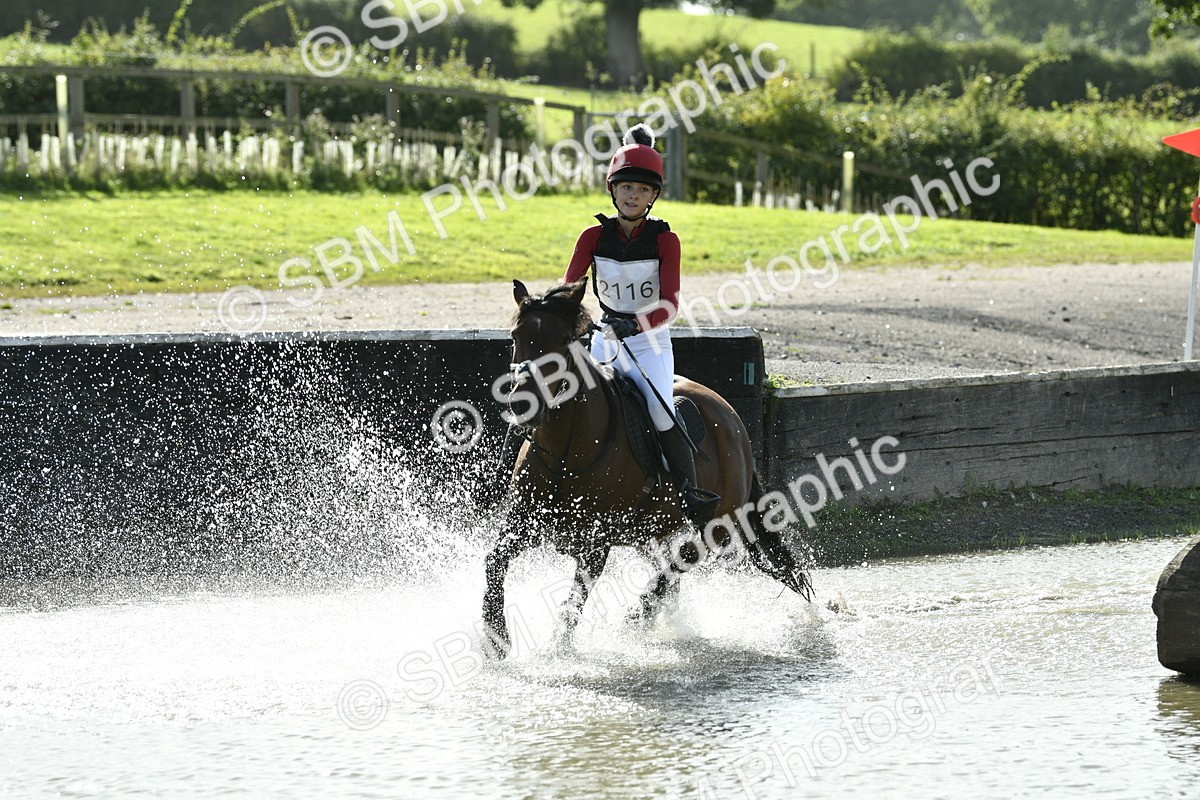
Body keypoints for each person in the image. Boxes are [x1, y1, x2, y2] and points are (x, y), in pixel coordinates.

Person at [563, 123, 722, 526]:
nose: (634, 196)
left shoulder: (665, 240)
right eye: (627, 188)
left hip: (650, 341)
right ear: (612, 190)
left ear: (653, 197)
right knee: (556, 394)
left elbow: (669, 305)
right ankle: (508, 479)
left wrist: (635, 327)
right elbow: (570, 289)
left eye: (643, 190)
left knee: (660, 409)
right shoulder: (592, 237)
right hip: (604, 339)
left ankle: (689, 494)